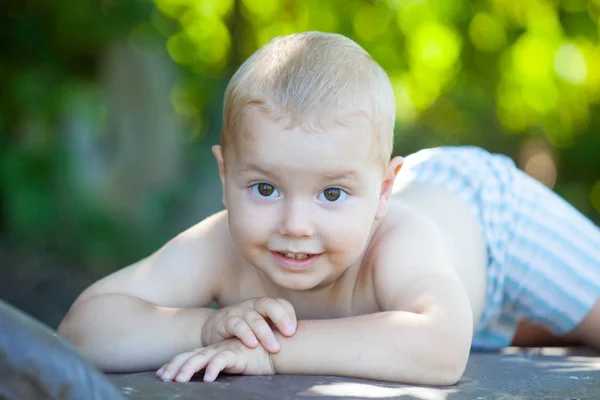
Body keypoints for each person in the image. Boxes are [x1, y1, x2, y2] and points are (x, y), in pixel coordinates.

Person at [58, 31, 600, 386]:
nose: (295, 226)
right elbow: (82, 330)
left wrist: (271, 353)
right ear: (225, 176)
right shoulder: (219, 247)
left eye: (332, 194)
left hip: (492, 223)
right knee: (510, 327)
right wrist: (206, 328)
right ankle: (537, 324)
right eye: (265, 189)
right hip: (438, 298)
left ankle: (542, 317)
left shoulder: (398, 239)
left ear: (384, 192)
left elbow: (443, 345)